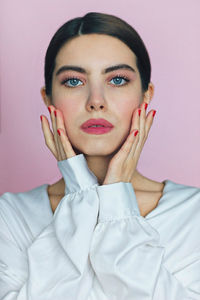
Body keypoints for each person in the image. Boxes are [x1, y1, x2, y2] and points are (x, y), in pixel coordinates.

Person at [0, 12, 199, 300]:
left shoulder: (194, 214)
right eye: (73, 82)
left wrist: (117, 196)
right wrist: (81, 194)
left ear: (146, 95)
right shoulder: (10, 218)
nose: (96, 101)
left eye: (117, 80)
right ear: (48, 98)